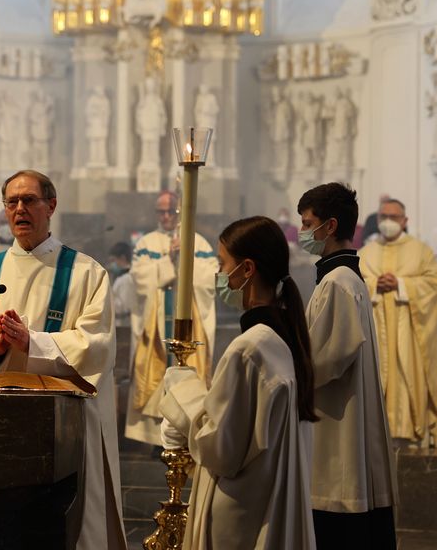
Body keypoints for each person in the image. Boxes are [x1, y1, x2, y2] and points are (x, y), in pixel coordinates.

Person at [0, 170, 127, 550]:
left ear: (51, 206)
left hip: (65, 428)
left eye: (29, 200)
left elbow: (97, 347)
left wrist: (32, 343)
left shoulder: (86, 274)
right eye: (12, 202)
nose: (19, 209)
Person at [159, 216, 317, 550]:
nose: (219, 275)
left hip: (240, 511)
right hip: (265, 499)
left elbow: (220, 448)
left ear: (247, 269)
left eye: (222, 265)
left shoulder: (249, 349)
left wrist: (184, 391)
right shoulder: (281, 338)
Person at [297, 182, 397, 549]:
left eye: (308, 224)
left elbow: (329, 358)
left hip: (336, 423)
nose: (303, 232)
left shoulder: (338, 282)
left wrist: (289, 367)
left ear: (331, 226)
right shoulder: (343, 278)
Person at [125, 191, 217, 446]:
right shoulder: (146, 243)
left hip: (190, 325)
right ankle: (157, 438)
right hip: (155, 327)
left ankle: (186, 431)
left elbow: (210, 280)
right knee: (156, 372)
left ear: (180, 211)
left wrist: (185, 258)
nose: (165, 216)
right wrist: (168, 261)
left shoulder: (199, 243)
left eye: (170, 211)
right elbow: (139, 280)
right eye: (161, 211)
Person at [359, 198, 437, 448]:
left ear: (405, 220)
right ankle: (374, 435)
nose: (388, 221)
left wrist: (400, 284)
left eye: (394, 217)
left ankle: (411, 431)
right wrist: (374, 285)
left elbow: (434, 284)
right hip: (376, 332)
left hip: (409, 333)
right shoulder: (365, 253)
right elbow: (353, 285)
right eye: (383, 217)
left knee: (408, 372)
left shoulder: (421, 251)